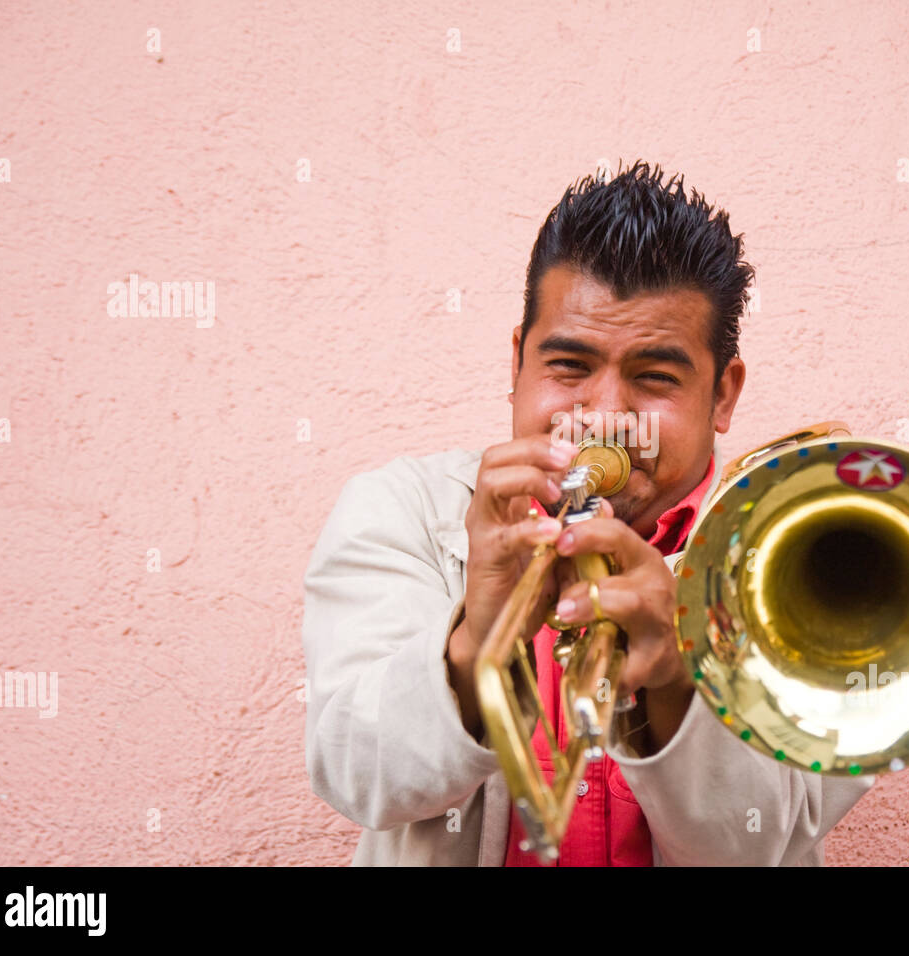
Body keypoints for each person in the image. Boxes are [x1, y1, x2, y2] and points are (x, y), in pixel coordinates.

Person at [301, 160, 876, 865]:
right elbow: (361, 779)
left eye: (654, 377)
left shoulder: (806, 556)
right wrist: (473, 642)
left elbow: (761, 842)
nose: (605, 417)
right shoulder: (401, 510)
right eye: (569, 366)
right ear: (517, 364)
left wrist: (675, 683)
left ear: (723, 396)